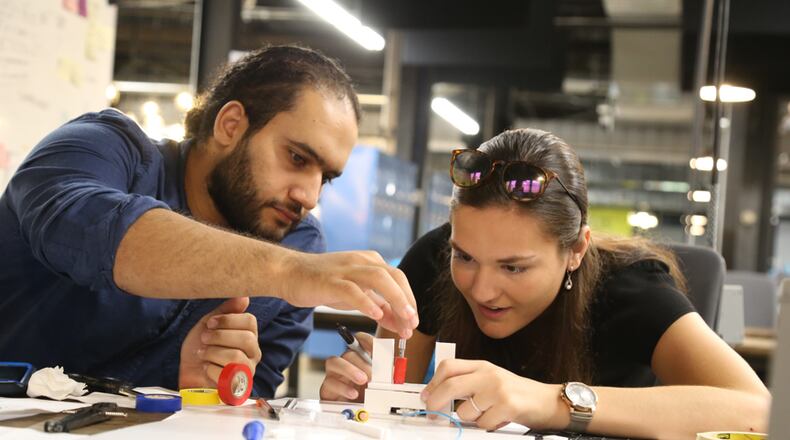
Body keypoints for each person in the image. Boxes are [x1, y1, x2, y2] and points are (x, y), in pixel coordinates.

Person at [0, 45, 418, 397]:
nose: (309, 196)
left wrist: (203, 389)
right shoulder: (105, 149)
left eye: (325, 177)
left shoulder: (299, 241)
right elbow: (93, 233)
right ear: (230, 125)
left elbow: (252, 395)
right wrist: (289, 272)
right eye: (296, 158)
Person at [320, 128, 770, 438]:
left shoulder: (631, 289)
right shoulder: (434, 259)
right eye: (466, 256)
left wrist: (547, 401)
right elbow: (393, 404)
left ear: (576, 250)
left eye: (514, 267)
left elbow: (758, 414)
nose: (481, 289)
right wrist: (362, 398)